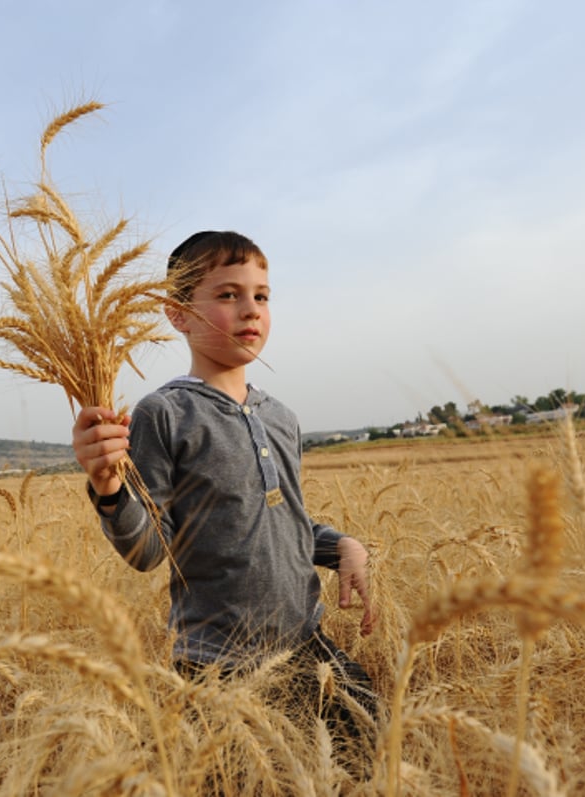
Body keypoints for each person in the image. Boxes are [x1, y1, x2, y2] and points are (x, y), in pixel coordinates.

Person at [72, 230, 378, 771]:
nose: (250, 309)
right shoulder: (163, 414)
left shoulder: (281, 418)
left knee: (367, 744)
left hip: (306, 642)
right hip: (218, 664)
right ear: (178, 314)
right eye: (228, 294)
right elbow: (147, 551)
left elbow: (287, 522)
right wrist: (108, 487)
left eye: (261, 295)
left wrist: (340, 547)